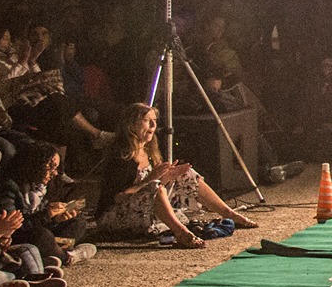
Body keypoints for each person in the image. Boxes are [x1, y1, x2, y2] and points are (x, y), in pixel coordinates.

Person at [94, 103, 256, 248]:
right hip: (114, 215)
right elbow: (118, 198)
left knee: (186, 174)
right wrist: (151, 180)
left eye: (154, 120)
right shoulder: (121, 156)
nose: (153, 125)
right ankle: (182, 233)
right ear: (131, 125)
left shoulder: (149, 150)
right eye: (146, 120)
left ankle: (230, 214)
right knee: (156, 187)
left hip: (141, 207)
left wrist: (167, 176)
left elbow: (153, 187)